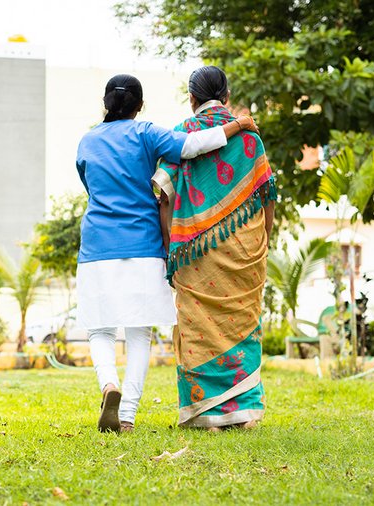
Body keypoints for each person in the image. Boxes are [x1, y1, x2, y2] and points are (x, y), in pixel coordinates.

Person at [76, 74, 258, 433]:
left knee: (100, 330)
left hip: (97, 246)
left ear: (106, 104)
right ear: (139, 106)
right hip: (143, 246)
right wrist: (238, 124)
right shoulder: (146, 133)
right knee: (139, 333)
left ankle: (108, 385)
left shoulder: (87, 141)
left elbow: (88, 186)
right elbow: (193, 146)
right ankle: (126, 414)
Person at [153, 65, 275, 431]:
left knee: (199, 328)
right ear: (227, 96)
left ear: (191, 98)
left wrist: (169, 246)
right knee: (242, 324)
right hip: (245, 248)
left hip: (195, 251)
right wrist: (264, 236)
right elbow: (266, 194)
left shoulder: (178, 137)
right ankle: (246, 412)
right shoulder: (250, 138)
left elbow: (163, 198)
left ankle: (203, 413)